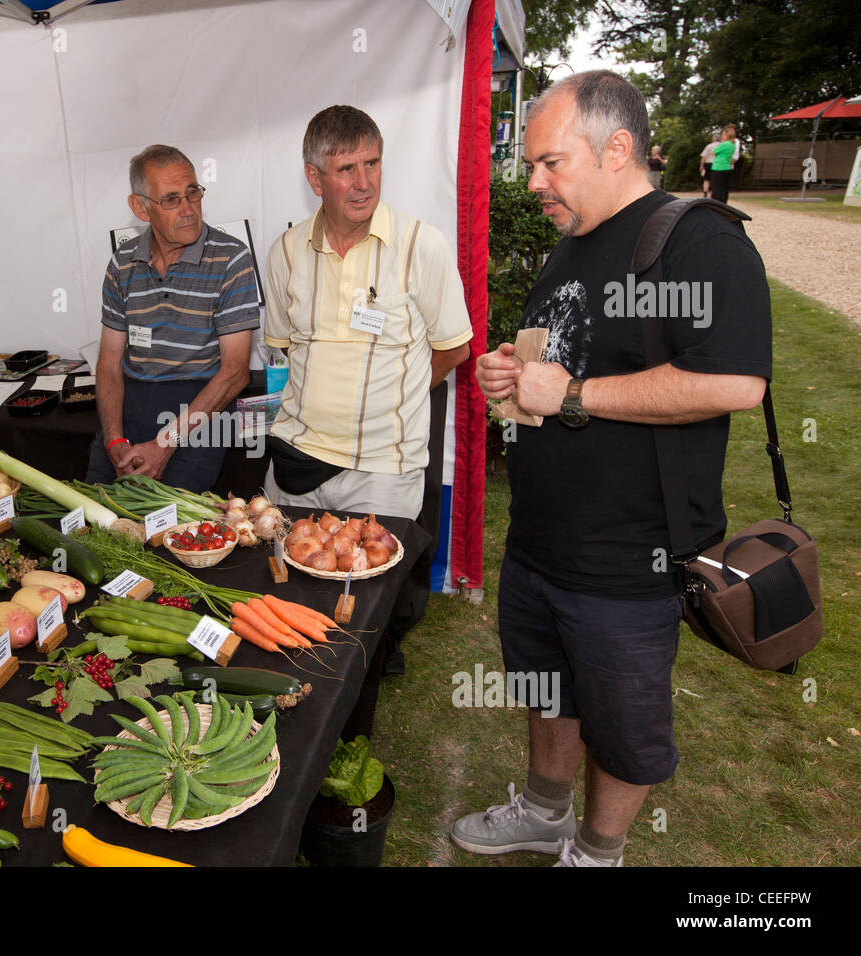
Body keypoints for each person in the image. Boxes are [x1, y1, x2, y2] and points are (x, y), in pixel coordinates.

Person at [455, 71, 771, 866]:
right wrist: (512, 377)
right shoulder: (573, 243)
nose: (533, 183)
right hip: (539, 538)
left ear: (618, 148)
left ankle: (598, 852)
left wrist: (576, 393)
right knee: (543, 687)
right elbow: (559, 366)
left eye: (550, 163)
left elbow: (734, 380)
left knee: (623, 724)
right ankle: (544, 810)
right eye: (532, 165)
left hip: (632, 553)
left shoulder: (698, 239)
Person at [261, 105, 472, 520]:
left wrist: (399, 396)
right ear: (314, 177)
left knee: (365, 585)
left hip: (384, 474)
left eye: (372, 163)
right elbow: (285, 348)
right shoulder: (285, 250)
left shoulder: (422, 246)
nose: (364, 183)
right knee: (281, 584)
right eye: (346, 169)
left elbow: (453, 350)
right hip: (297, 462)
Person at [86, 145, 259, 492]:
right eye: (171, 200)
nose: (188, 210)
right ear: (140, 207)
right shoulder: (123, 264)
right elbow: (108, 363)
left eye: (192, 193)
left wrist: (164, 444)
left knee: (168, 526)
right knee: (95, 512)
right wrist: (114, 441)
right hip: (133, 401)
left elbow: (235, 374)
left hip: (200, 408)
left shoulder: (231, 259)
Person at [708, 125, 738, 203]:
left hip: (718, 167)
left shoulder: (724, 144)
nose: (722, 136)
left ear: (726, 135)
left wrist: (721, 143)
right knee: (724, 188)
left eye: (723, 135)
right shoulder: (732, 145)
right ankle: (723, 203)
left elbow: (712, 151)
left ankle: (716, 203)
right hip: (727, 167)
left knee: (716, 188)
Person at [699, 133, 719, 198]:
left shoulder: (709, 146)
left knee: (706, 179)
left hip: (708, 164)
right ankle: (714, 193)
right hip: (718, 164)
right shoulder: (721, 145)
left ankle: (705, 193)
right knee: (715, 180)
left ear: (713, 139)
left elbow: (704, 157)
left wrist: (701, 165)